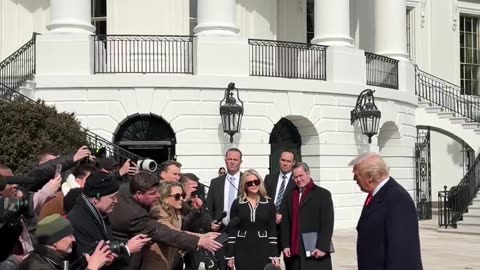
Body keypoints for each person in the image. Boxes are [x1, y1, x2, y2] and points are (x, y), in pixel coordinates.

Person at [109, 171, 222, 270]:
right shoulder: (145, 212)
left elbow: (181, 226)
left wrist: (197, 216)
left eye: (158, 191)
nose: (157, 195)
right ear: (138, 194)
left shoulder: (132, 189)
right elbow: (166, 232)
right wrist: (199, 240)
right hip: (138, 260)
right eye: (153, 193)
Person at [351, 153, 423, 270]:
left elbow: (401, 250)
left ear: (370, 177)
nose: (354, 179)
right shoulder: (378, 195)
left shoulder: (397, 198)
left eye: (357, 175)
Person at [67, 172, 151, 268]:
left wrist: (127, 243)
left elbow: (107, 244)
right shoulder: (79, 221)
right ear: (96, 198)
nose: (116, 201)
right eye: (112, 197)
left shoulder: (97, 212)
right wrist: (127, 249)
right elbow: (91, 261)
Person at [281, 162, 334, 270]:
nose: (298, 179)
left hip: (314, 248)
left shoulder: (323, 194)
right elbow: (285, 222)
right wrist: (285, 245)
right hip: (294, 250)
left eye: (301, 175)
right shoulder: (289, 194)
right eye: (295, 177)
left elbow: (327, 223)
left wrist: (322, 247)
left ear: (308, 174)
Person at [226, 169, 280, 270]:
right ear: (244, 185)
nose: (254, 185)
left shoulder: (269, 203)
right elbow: (233, 230)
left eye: (256, 181)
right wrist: (230, 255)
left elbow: (272, 230)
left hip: (263, 248)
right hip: (242, 248)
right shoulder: (237, 203)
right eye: (250, 183)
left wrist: (274, 254)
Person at [18, 214, 112, 270]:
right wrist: (91, 268)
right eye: (69, 235)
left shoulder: (53, 260)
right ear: (54, 241)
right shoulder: (37, 266)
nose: (74, 240)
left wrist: (89, 264)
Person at [206, 148, 243, 270]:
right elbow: (209, 209)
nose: (232, 162)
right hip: (221, 233)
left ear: (240, 162)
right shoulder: (216, 182)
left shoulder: (247, 181)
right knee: (222, 265)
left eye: (235, 160)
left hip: (242, 233)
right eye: (229, 159)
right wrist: (211, 222)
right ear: (225, 161)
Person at [143, 181, 185, 270]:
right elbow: (173, 232)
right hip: (156, 262)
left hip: (169, 261)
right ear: (165, 198)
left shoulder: (176, 211)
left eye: (183, 195)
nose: (182, 199)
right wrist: (200, 239)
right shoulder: (157, 211)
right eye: (177, 196)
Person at [264, 150, 297, 256]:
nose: (285, 163)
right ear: (279, 160)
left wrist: (284, 216)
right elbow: (263, 200)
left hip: (289, 229)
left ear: (293, 163)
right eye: (283, 160)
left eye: (288, 161)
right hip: (271, 228)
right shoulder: (269, 178)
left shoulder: (297, 181)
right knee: (271, 261)